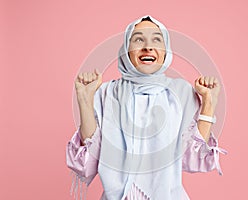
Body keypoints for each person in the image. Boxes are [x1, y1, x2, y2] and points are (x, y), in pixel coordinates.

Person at [66, 15, 227, 200]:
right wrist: (85, 101)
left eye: (157, 39)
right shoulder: (106, 93)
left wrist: (209, 102)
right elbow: (87, 164)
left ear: (165, 51)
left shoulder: (181, 92)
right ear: (126, 50)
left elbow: (193, 160)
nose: (148, 47)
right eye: (138, 39)